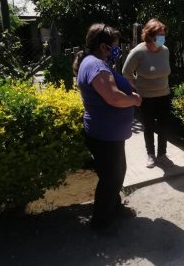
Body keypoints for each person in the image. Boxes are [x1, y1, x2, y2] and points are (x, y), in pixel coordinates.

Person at [73, 23, 142, 231]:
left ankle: (114, 208)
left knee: (116, 173)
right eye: (115, 46)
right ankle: (101, 223)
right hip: (105, 134)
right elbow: (112, 97)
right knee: (110, 178)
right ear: (104, 46)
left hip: (110, 133)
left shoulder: (97, 62)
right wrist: (135, 100)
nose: (116, 49)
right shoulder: (95, 65)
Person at [122, 18, 172, 168]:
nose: (162, 38)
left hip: (164, 94)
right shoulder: (138, 52)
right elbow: (126, 72)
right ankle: (151, 154)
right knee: (149, 127)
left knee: (164, 126)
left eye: (163, 35)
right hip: (147, 97)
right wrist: (136, 87)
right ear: (150, 36)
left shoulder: (165, 50)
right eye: (159, 35)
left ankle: (162, 154)